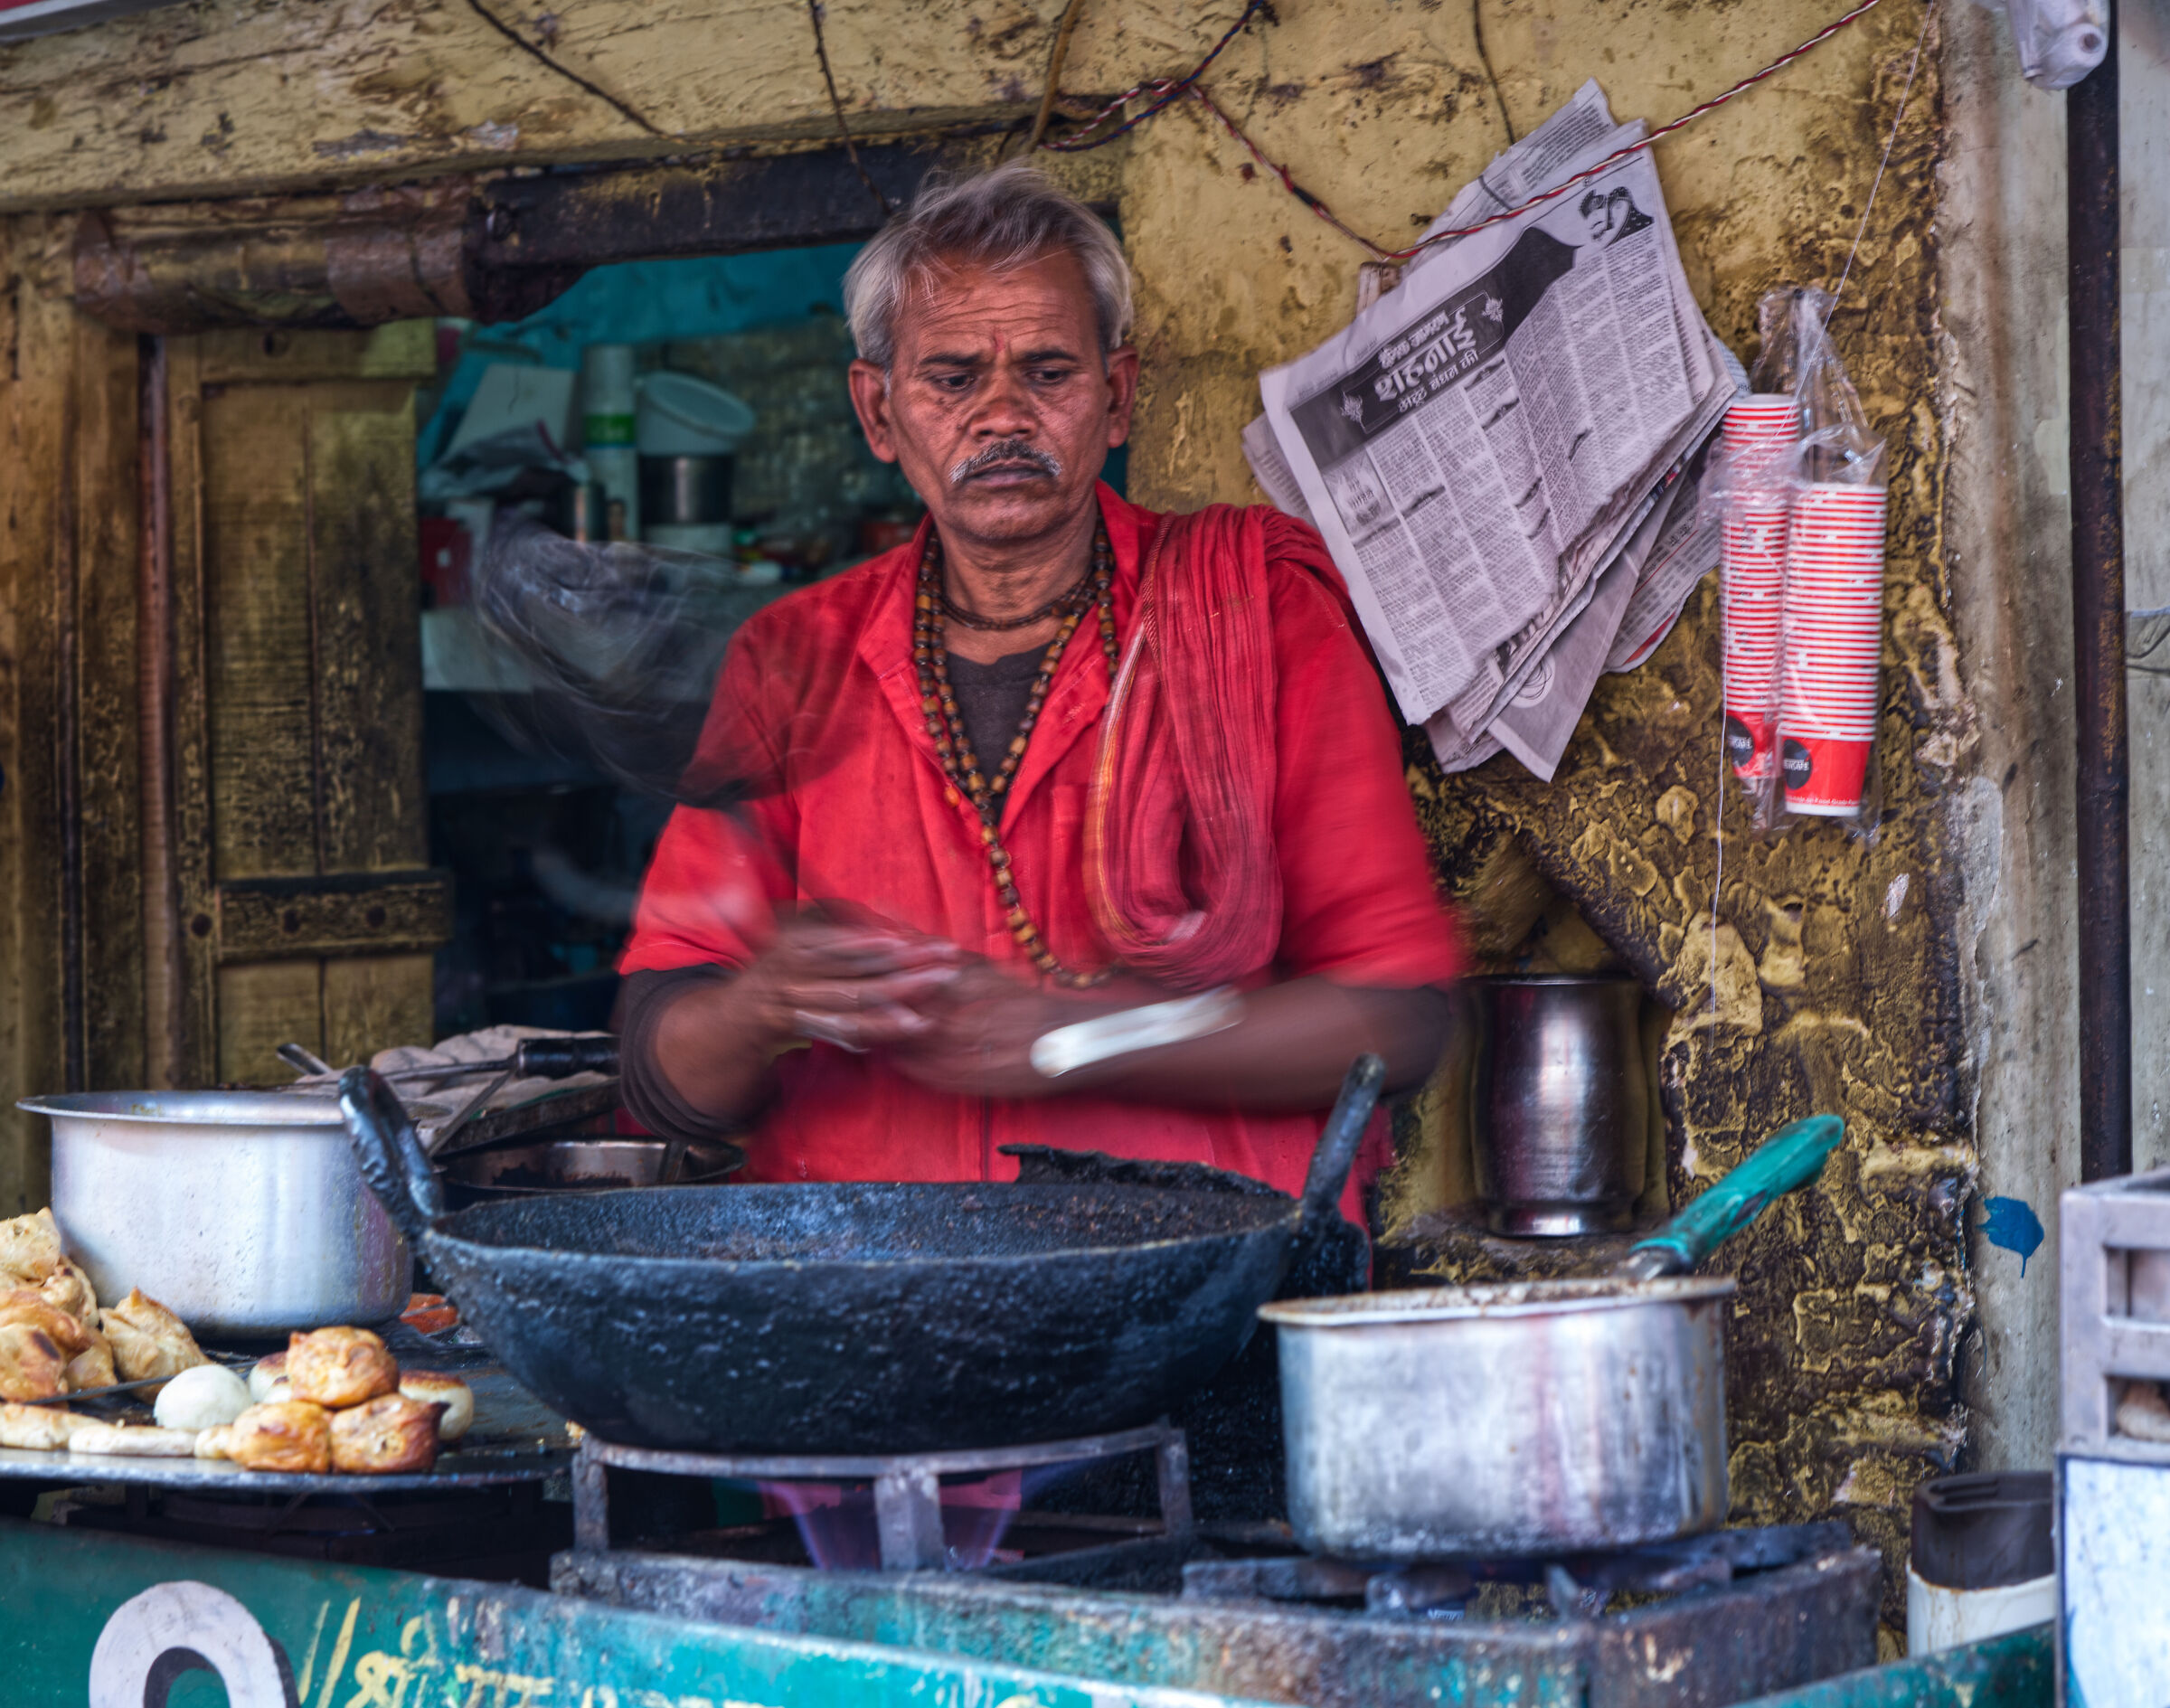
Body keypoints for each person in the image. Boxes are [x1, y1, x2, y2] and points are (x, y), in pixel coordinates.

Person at [615, 163, 1462, 1214]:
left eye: (1049, 372)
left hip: (1198, 1294)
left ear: (1119, 395)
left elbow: (1395, 1015)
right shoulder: (792, 660)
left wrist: (1081, 1036)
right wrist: (761, 1003)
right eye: (955, 376)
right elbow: (664, 1071)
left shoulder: (1261, 613)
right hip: (864, 1302)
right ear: (878, 413)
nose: (1004, 414)